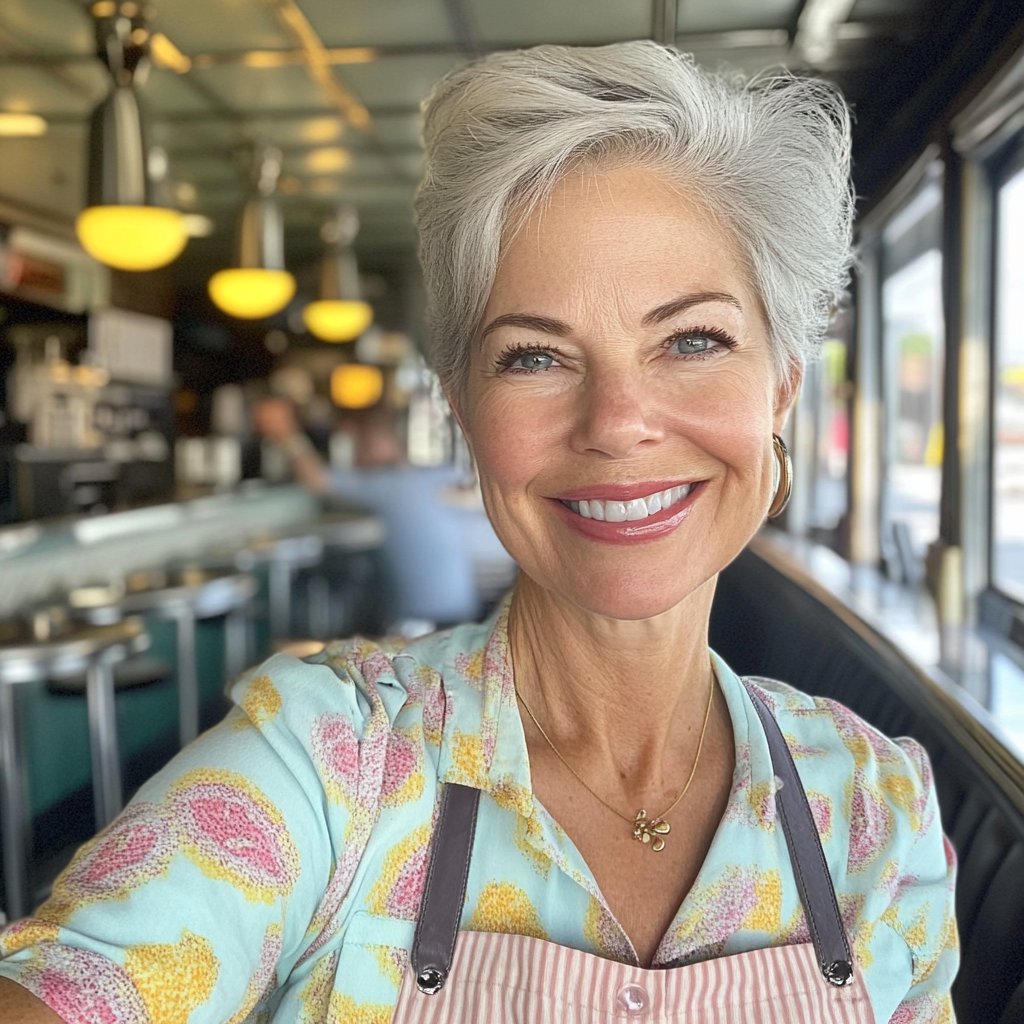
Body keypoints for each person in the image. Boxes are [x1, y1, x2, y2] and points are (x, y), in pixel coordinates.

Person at [0, 41, 957, 1023]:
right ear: (461, 408)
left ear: (781, 387)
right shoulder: (331, 766)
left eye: (693, 338)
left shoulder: (880, 816)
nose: (616, 420)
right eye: (535, 355)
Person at [253, 397, 513, 631]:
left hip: (415, 626)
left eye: (360, 441)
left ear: (382, 441)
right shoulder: (442, 477)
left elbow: (317, 480)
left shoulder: (392, 487)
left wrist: (286, 433)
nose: (355, 451)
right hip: (466, 620)